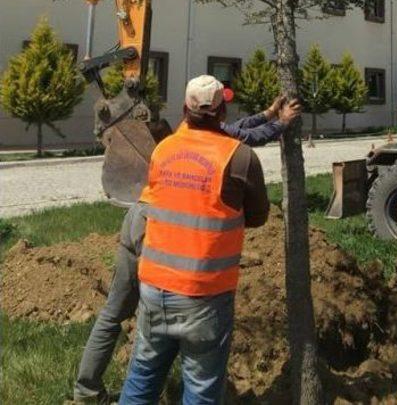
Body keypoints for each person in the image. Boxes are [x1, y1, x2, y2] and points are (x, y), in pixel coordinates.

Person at [73, 86, 299, 405]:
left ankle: (86, 388)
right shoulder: (229, 153)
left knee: (132, 345)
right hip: (180, 264)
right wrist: (281, 124)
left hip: (148, 245)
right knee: (200, 384)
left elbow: (235, 130)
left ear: (184, 110)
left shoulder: (169, 144)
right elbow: (240, 140)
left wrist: (268, 114)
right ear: (220, 111)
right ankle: (87, 387)